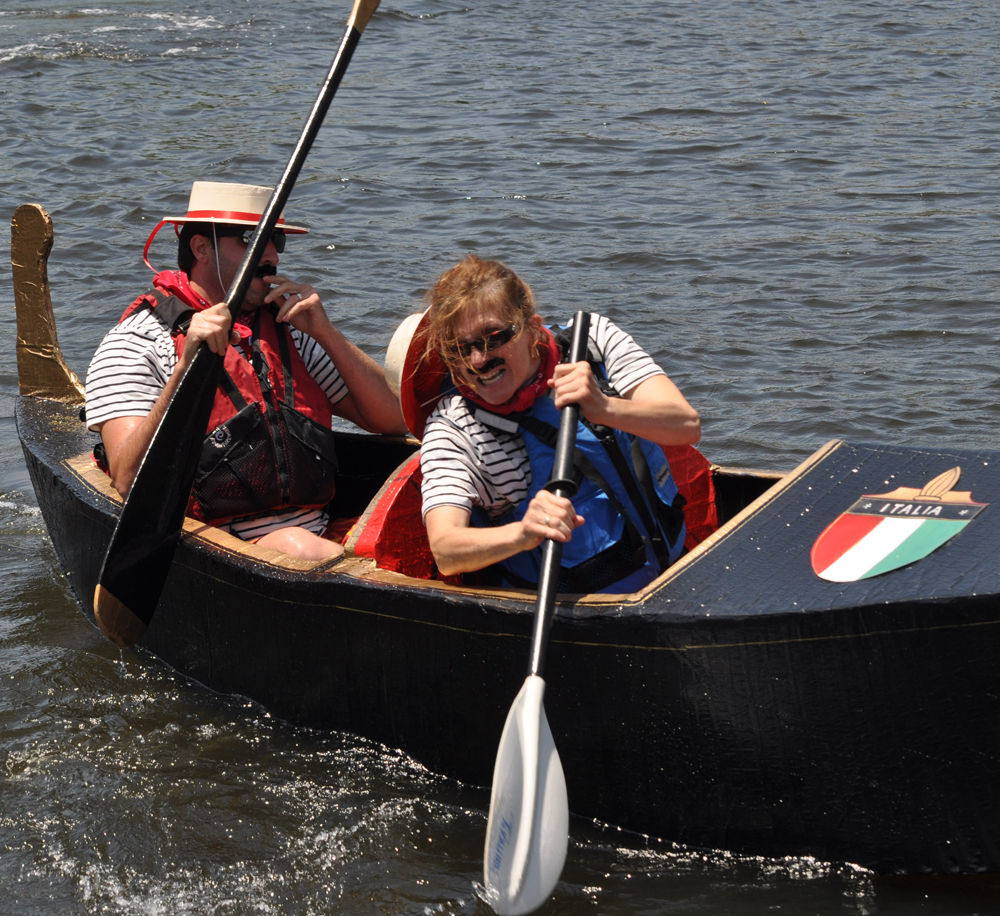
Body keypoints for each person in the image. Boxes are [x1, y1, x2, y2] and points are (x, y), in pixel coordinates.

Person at [85, 181, 407, 561]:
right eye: (252, 238)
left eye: (277, 240)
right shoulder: (136, 342)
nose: (271, 254)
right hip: (220, 543)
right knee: (299, 546)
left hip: (320, 537)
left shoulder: (294, 332)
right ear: (201, 248)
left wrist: (327, 333)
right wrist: (187, 370)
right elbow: (127, 478)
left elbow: (392, 421)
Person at [399, 254, 702, 593]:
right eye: (459, 349)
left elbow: (687, 425)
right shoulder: (454, 430)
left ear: (531, 329)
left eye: (492, 337)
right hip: (578, 610)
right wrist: (522, 533)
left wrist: (606, 409)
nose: (478, 361)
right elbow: (446, 550)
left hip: (675, 570)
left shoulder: (593, 341)